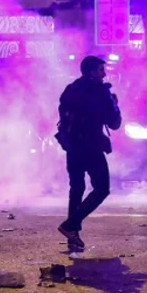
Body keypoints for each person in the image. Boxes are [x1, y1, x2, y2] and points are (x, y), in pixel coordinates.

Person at [55, 56, 122, 253]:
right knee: (102, 189)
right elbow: (114, 123)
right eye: (101, 69)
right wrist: (115, 104)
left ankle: (73, 237)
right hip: (91, 146)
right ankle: (70, 225)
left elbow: (63, 115)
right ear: (91, 71)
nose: (104, 73)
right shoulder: (101, 92)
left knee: (76, 188)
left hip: (73, 146)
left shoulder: (71, 89)